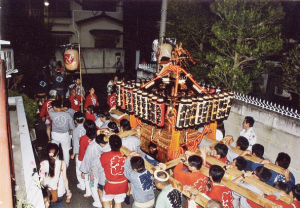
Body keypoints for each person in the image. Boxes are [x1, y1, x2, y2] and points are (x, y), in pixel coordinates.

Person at [39, 143, 72, 208]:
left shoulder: (43, 163)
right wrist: (68, 191)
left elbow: (41, 180)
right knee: (58, 204)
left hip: (48, 191)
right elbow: (65, 179)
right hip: (59, 191)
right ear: (58, 152)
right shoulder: (62, 163)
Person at [100, 135, 128, 208]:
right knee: (118, 202)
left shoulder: (104, 155)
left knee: (105, 200)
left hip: (111, 184)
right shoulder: (126, 156)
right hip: (123, 183)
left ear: (109, 145)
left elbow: (103, 166)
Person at [48, 100, 75, 167]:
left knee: (54, 150)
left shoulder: (52, 113)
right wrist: (69, 129)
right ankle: (66, 165)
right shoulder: (67, 115)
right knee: (65, 150)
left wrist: (60, 108)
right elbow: (72, 127)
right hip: (64, 135)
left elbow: (50, 110)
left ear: (54, 107)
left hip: (55, 135)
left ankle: (55, 163)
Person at [80, 131, 103, 208]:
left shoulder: (91, 147)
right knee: (103, 186)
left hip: (94, 169)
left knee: (93, 186)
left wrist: (84, 171)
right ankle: (105, 202)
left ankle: (98, 202)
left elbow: (87, 159)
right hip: (104, 169)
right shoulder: (106, 145)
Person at [78, 121, 97, 197]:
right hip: (96, 161)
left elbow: (82, 151)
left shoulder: (83, 138)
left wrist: (80, 161)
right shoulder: (98, 138)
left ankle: (88, 192)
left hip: (86, 159)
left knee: (86, 176)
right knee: (94, 177)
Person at [70, 112, 86, 190]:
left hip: (80, 152)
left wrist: (73, 153)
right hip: (87, 151)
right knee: (86, 168)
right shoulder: (87, 128)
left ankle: (82, 185)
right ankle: (87, 184)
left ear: (75, 121)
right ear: (83, 120)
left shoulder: (75, 130)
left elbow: (76, 143)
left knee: (79, 169)